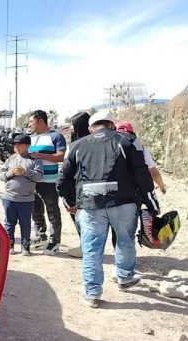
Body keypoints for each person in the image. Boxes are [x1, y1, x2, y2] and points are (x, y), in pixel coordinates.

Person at [57, 111, 159, 308]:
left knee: (92, 249)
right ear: (112, 125)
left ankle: (92, 293)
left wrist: (70, 202)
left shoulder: (77, 146)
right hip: (124, 204)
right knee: (125, 241)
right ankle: (125, 277)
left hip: (89, 205)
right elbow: (142, 174)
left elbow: (63, 179)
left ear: (90, 128)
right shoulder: (128, 141)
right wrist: (151, 202)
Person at [27, 109, 66, 255]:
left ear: (40, 121)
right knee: (35, 211)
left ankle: (54, 241)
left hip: (49, 182)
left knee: (52, 212)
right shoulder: (30, 138)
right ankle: (40, 236)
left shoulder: (56, 136)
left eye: (31, 121)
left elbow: (60, 156)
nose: (29, 125)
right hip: (32, 181)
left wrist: (40, 155)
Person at [0, 134, 44, 256]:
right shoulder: (10, 159)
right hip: (9, 198)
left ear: (27, 145)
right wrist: (9, 173)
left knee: (25, 223)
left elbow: (39, 176)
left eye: (20, 144)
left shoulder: (34, 159)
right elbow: (1, 175)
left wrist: (25, 172)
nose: (16, 147)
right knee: (9, 223)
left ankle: (25, 247)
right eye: (15, 144)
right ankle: (9, 245)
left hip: (26, 199)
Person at [65, 111, 91, 259]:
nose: (70, 128)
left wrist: (66, 195)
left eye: (72, 125)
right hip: (88, 188)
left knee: (81, 219)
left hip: (78, 190)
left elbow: (66, 172)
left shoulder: (75, 146)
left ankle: (85, 247)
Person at [116, 121, 167, 194]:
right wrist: (161, 186)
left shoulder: (110, 147)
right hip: (136, 189)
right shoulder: (139, 147)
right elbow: (153, 171)